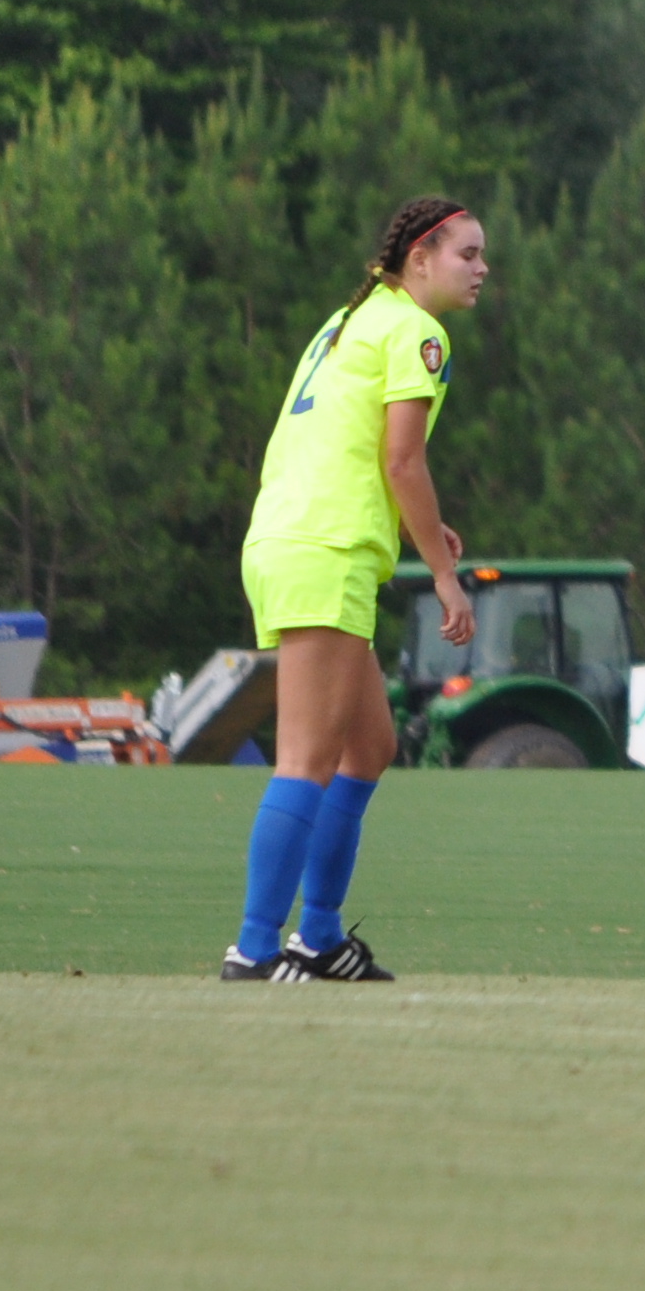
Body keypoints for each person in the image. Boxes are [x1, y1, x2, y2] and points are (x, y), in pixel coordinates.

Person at [224, 194, 487, 983]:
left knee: (368, 745)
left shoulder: (353, 318)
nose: (481, 270)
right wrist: (445, 577)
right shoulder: (416, 330)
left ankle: (320, 937)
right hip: (323, 547)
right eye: (467, 254)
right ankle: (256, 949)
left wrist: (424, 531)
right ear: (421, 259)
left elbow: (361, 449)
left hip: (294, 537)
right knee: (305, 758)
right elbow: (403, 461)